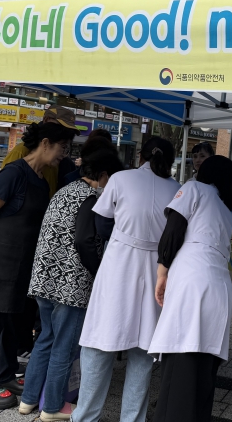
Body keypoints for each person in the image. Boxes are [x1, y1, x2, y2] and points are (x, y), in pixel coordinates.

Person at [0, 122, 76, 410]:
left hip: (19, 268)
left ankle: (5, 374)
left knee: (9, 328)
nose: (63, 155)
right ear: (45, 143)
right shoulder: (12, 174)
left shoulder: (40, 179)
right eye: (62, 148)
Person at [71, 137, 180, 422]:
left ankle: (85, 417)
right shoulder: (177, 189)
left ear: (141, 155)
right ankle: (132, 419)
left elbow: (102, 223)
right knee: (143, 351)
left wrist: (126, 232)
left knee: (99, 342)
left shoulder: (120, 179)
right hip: (157, 268)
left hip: (119, 264)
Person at [19, 148, 123, 421]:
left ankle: (28, 400)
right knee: (64, 347)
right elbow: (84, 241)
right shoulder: (89, 198)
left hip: (44, 280)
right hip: (70, 286)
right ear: (103, 175)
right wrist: (99, 271)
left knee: (45, 339)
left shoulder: (65, 191)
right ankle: (53, 407)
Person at [150, 155, 232, 422]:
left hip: (193, 282)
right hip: (219, 289)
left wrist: (161, 272)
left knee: (180, 365)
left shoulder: (194, 188)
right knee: (202, 373)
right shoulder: (225, 209)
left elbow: (173, 230)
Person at [2, 105, 79, 198]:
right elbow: (2, 191)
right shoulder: (21, 152)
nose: (64, 134)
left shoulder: (60, 160)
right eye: (59, 127)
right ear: (46, 120)